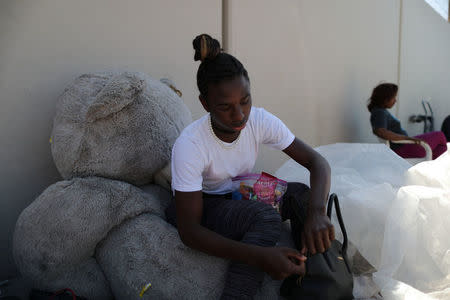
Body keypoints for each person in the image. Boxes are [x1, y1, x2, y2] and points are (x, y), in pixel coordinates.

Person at [165, 34, 334, 299]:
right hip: (204, 204)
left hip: (237, 190)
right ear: (205, 104)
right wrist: (261, 256)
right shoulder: (190, 145)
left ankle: (311, 283)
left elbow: (317, 163)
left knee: (301, 195)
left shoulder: (258, 120)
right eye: (225, 107)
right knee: (264, 218)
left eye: (245, 100)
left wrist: (317, 211)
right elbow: (189, 231)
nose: (240, 114)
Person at [368, 83, 447, 160]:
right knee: (439, 135)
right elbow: (380, 131)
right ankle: (431, 165)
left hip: (404, 147)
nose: (395, 100)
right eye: (393, 97)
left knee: (440, 145)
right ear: (385, 98)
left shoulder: (380, 111)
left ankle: (431, 164)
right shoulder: (379, 112)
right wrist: (409, 138)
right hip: (402, 149)